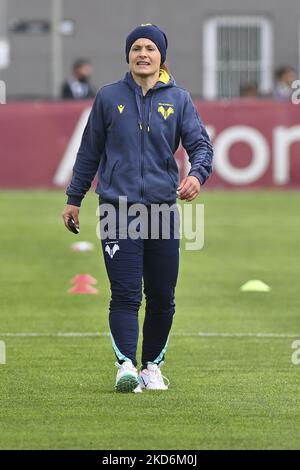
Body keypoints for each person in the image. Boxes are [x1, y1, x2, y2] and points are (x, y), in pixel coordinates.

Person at [62, 24, 213, 393]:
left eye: (150, 48)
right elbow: (89, 152)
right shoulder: (108, 97)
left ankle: (152, 367)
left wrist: (196, 176)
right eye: (136, 48)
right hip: (118, 210)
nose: (142, 54)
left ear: (162, 56)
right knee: (126, 294)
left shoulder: (179, 99)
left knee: (162, 296)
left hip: (163, 211)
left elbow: (201, 147)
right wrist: (74, 198)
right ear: (128, 55)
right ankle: (126, 366)